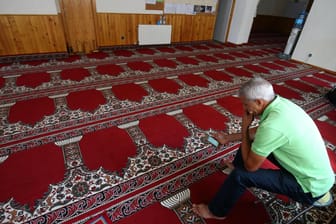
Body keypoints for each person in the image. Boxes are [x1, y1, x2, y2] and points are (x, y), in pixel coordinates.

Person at [192, 77, 335, 220]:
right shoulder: (282, 105)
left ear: (259, 102)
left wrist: (245, 127)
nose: (245, 109)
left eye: (245, 104)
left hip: (309, 187)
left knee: (241, 175)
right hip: (315, 173)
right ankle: (236, 167)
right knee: (251, 143)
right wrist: (227, 138)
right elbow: (260, 133)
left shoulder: (272, 125)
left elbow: (251, 167)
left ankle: (216, 212)